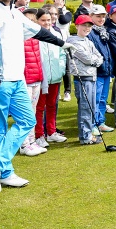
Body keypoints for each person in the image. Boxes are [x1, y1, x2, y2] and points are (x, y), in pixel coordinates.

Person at [0, 0, 76, 192]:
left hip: (17, 79)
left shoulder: (15, 13)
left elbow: (37, 31)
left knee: (27, 121)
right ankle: (5, 172)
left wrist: (61, 43)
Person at [66, 15, 104, 145]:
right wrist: (95, 61)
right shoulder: (73, 42)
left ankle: (88, 134)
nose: (87, 28)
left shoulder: (88, 41)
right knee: (85, 108)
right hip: (83, 78)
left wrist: (95, 61)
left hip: (92, 77)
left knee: (92, 107)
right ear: (77, 26)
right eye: (84, 25)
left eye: (89, 26)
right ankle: (85, 137)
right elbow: (88, 58)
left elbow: (100, 57)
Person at [34, 9, 68, 146]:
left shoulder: (56, 33)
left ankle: (51, 132)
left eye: (49, 20)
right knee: (39, 107)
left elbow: (62, 54)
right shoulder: (34, 34)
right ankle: (39, 135)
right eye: (43, 20)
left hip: (55, 77)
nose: (47, 22)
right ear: (37, 21)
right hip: (41, 78)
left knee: (52, 105)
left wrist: (60, 70)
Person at [17, 8, 47, 156]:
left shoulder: (36, 38)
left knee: (33, 112)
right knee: (25, 113)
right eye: (28, 20)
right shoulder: (18, 38)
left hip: (36, 79)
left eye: (33, 21)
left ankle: (32, 141)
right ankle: (23, 145)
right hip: (25, 81)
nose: (31, 23)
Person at [86, 5, 114, 133]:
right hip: (96, 72)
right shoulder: (90, 32)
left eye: (103, 16)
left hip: (106, 71)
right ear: (91, 16)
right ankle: (93, 125)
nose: (101, 19)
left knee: (103, 99)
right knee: (95, 99)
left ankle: (100, 122)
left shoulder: (104, 31)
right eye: (98, 16)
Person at [52, 0, 73, 104]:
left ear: (63, 2)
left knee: (66, 69)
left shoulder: (67, 13)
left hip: (64, 42)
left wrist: (59, 10)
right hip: (53, 43)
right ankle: (57, 92)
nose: (57, 2)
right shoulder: (52, 14)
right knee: (55, 68)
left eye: (59, 1)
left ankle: (67, 91)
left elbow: (64, 20)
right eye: (55, 1)